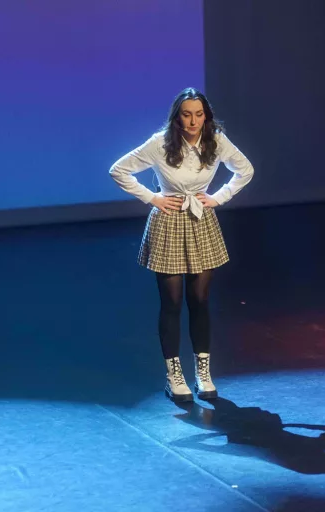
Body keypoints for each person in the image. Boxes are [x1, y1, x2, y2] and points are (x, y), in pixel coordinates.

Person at [109, 87, 254, 403]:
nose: (193, 121)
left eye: (199, 114)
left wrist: (218, 197)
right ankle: (174, 375)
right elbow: (118, 170)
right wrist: (153, 198)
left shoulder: (215, 141)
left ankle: (203, 372)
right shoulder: (160, 143)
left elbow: (245, 170)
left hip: (201, 220)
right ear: (177, 117)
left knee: (199, 300)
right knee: (172, 303)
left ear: (206, 116)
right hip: (169, 221)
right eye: (187, 115)